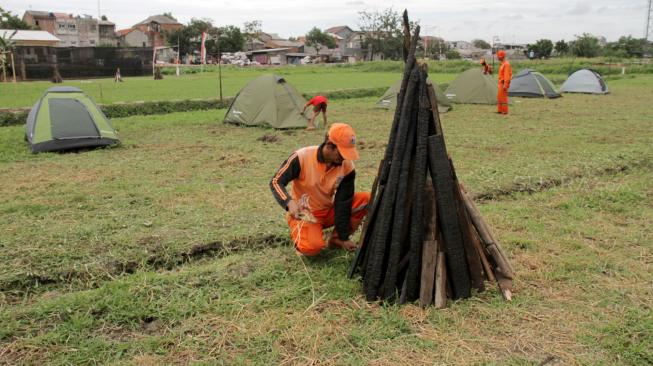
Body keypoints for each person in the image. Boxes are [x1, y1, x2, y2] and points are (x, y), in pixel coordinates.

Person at [270, 123, 370, 256]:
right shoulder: (301, 157)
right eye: (342, 153)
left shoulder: (347, 167)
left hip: (328, 211)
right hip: (305, 214)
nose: (345, 157)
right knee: (312, 248)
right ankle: (304, 235)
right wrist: (289, 202)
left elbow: (343, 203)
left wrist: (344, 237)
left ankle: (336, 240)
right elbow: (276, 181)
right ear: (329, 144)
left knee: (366, 199)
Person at [497, 50, 512, 114]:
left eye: (498, 56)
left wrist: (505, 85)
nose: (497, 57)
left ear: (501, 56)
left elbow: (507, 76)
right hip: (501, 82)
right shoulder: (502, 64)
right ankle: (500, 110)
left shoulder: (506, 64)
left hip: (503, 83)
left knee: (503, 98)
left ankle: (504, 111)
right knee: (499, 97)